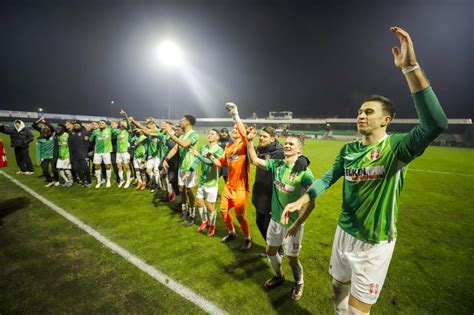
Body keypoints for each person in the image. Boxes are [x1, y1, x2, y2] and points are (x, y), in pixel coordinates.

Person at [281, 27, 448, 314]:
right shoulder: (348, 150)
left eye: (369, 111)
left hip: (375, 242)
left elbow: (435, 124)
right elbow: (328, 178)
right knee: (337, 293)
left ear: (387, 119)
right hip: (344, 233)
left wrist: (411, 68)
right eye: (360, 110)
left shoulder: (396, 148)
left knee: (358, 311)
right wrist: (303, 198)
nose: (361, 114)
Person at [247, 128, 314, 300]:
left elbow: (311, 203)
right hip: (275, 220)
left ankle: (299, 281)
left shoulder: (305, 174)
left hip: (293, 225)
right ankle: (279, 276)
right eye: (286, 143)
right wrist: (249, 141)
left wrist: (298, 223)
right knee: (270, 251)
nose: (287, 145)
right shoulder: (277, 165)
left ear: (300, 150)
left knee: (292, 259)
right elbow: (254, 160)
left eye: (292, 144)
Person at [209, 103, 253, 251]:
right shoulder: (228, 147)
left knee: (240, 216)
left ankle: (247, 238)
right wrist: (209, 157)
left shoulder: (245, 146)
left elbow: (244, 134)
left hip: (241, 188)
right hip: (229, 186)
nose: (234, 130)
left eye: (237, 129)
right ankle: (232, 232)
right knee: (223, 211)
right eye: (233, 129)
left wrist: (236, 116)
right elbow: (220, 162)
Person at [183, 129, 224, 236]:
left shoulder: (219, 150)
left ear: (217, 137)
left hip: (212, 183)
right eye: (209, 133)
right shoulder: (203, 148)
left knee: (210, 207)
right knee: (200, 203)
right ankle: (204, 221)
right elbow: (197, 161)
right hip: (202, 181)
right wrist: (189, 171)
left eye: (212, 134)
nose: (209, 135)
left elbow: (210, 163)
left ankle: (212, 226)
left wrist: (198, 155)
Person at [163, 115, 199, 226]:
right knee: (181, 189)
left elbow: (184, 144)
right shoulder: (182, 135)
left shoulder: (194, 134)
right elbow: (175, 148)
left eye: (182, 120)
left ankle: (192, 214)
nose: (180, 121)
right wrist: (166, 159)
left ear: (188, 122)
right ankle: (185, 211)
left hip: (190, 167)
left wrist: (170, 134)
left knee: (189, 190)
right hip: (182, 166)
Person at [33, 117, 59, 187]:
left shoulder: (53, 135)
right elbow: (38, 149)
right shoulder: (40, 139)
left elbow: (52, 127)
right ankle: (50, 181)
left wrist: (44, 121)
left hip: (52, 155)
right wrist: (38, 159)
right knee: (44, 170)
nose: (45, 135)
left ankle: (56, 180)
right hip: (44, 156)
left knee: (54, 169)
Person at [89, 120, 113, 188]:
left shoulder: (109, 130)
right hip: (97, 152)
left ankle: (108, 181)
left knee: (107, 166)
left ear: (106, 124)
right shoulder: (95, 131)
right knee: (96, 166)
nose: (101, 124)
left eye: (103, 123)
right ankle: (99, 181)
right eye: (100, 123)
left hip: (106, 151)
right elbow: (91, 140)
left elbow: (117, 132)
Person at [112, 111, 132, 188]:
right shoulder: (118, 131)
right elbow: (112, 129)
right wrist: (113, 125)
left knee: (127, 166)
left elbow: (129, 124)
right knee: (119, 166)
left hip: (125, 152)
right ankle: (122, 180)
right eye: (122, 123)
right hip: (118, 152)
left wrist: (125, 115)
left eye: (124, 123)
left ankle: (128, 181)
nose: (123, 124)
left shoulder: (128, 131)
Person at [69, 120, 92, 188]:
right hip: (75, 156)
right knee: (76, 169)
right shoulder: (72, 134)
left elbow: (90, 143)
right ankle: (83, 181)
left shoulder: (85, 133)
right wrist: (71, 157)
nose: (76, 125)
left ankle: (89, 181)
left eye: (77, 124)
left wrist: (88, 153)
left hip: (84, 155)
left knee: (86, 170)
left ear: (80, 125)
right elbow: (70, 145)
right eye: (75, 124)